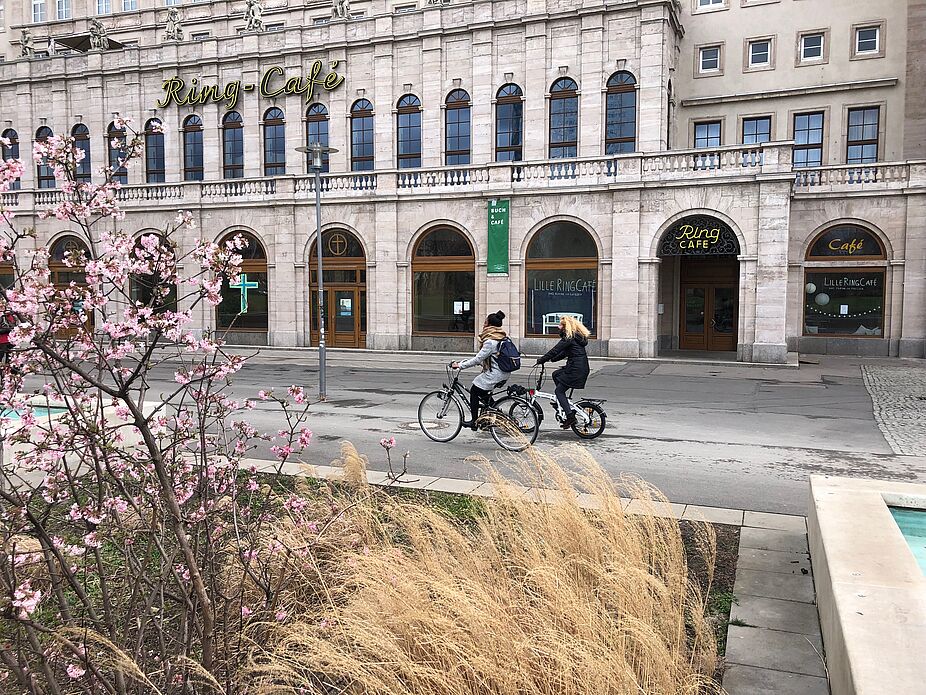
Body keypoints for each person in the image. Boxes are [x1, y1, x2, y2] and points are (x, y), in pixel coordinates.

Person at [451, 310, 509, 430]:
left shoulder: (490, 341)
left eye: (485, 322)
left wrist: (459, 365)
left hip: (495, 374)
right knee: (483, 394)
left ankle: (474, 421)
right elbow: (491, 358)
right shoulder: (502, 337)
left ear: (489, 325)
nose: (483, 325)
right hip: (503, 372)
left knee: (474, 391)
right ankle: (491, 417)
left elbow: (478, 359)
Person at [536, 315, 591, 429]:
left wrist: (542, 359)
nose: (558, 326)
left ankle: (570, 417)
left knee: (559, 391)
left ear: (566, 327)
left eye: (561, 325)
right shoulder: (575, 337)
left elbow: (556, 349)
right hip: (579, 368)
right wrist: (552, 359)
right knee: (556, 374)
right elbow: (564, 353)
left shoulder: (569, 337)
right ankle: (562, 402)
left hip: (575, 370)